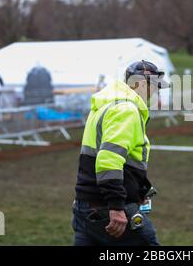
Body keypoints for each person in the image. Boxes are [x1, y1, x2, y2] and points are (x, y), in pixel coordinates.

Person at [72, 60, 170, 246]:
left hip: (85, 206)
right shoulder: (126, 110)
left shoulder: (105, 105)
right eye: (154, 86)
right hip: (107, 209)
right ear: (141, 84)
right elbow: (109, 161)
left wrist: (137, 189)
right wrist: (116, 207)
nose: (155, 92)